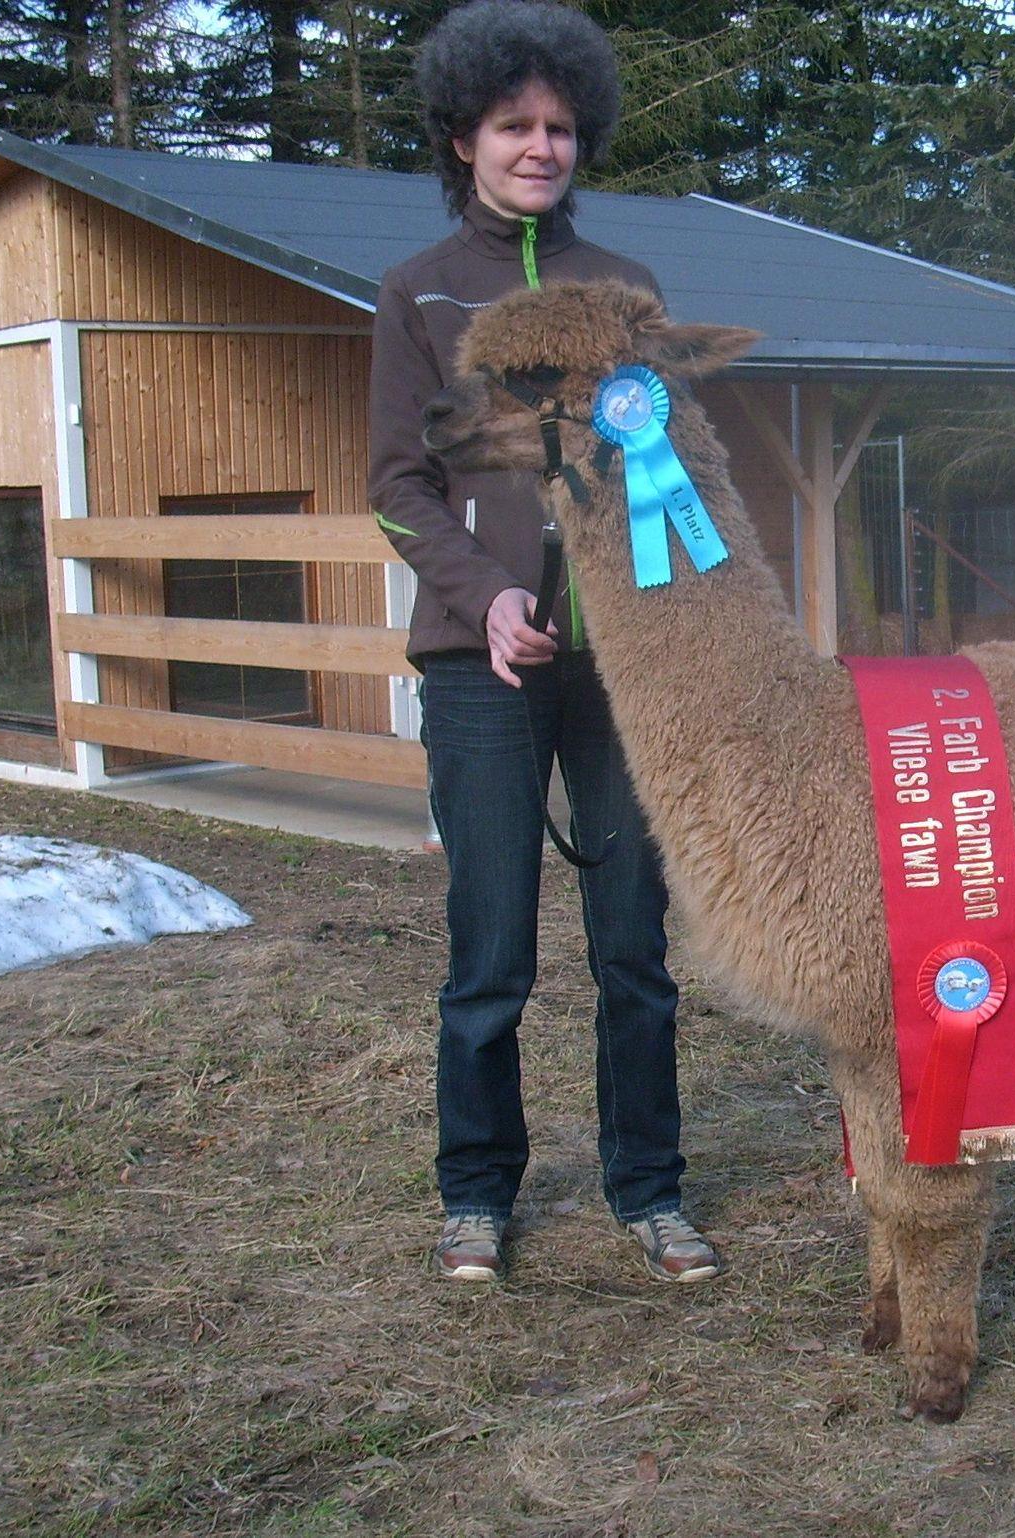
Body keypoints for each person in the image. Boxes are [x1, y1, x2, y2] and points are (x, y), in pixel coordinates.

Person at [369, 0, 721, 1286]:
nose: (539, 146)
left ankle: (650, 1187)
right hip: (482, 667)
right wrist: (485, 599)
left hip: (620, 668)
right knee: (491, 951)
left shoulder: (625, 288)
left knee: (634, 943)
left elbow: (664, 469)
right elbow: (395, 484)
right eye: (513, 124)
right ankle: (475, 1193)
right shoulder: (415, 290)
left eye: (560, 127)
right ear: (463, 137)